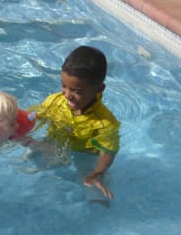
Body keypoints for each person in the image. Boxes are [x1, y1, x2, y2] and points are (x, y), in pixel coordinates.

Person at [31, 46, 120, 199]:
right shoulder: (55, 101)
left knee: (95, 190)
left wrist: (97, 173)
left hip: (85, 155)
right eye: (64, 86)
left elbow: (108, 152)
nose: (67, 95)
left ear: (99, 88)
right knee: (31, 159)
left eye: (77, 91)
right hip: (54, 143)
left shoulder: (105, 123)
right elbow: (33, 118)